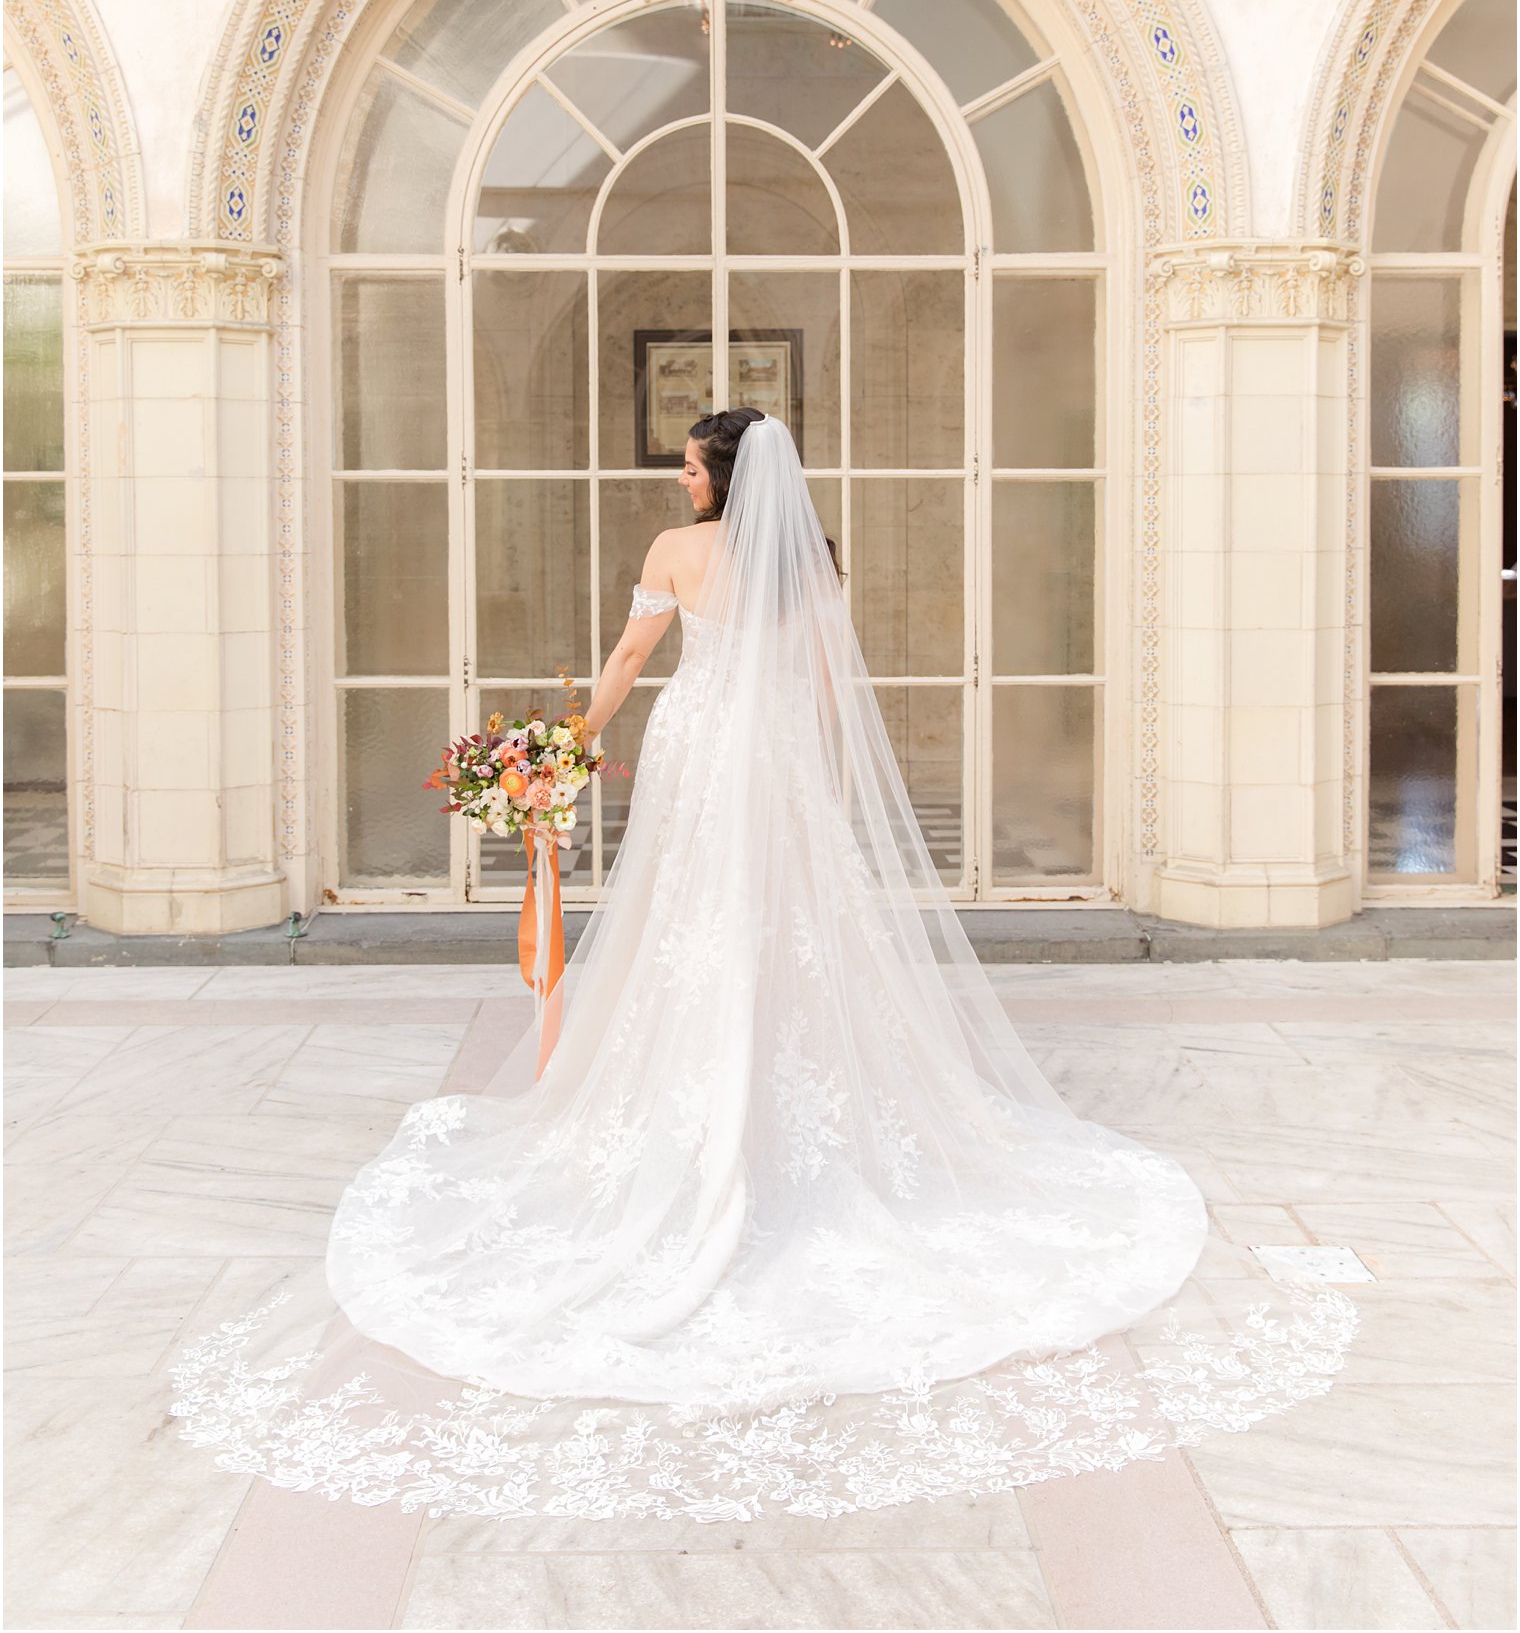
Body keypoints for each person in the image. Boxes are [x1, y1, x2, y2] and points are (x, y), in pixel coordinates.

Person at [170, 409, 1356, 1519]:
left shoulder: (679, 553)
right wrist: (827, 786)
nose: (679, 479)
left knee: (693, 925)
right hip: (775, 762)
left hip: (701, 755)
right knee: (787, 925)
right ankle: (787, 1110)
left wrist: (558, 757)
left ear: (723, 480)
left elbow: (632, 662)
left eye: (691, 466)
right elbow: (834, 696)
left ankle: (700, 1122)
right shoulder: (808, 565)